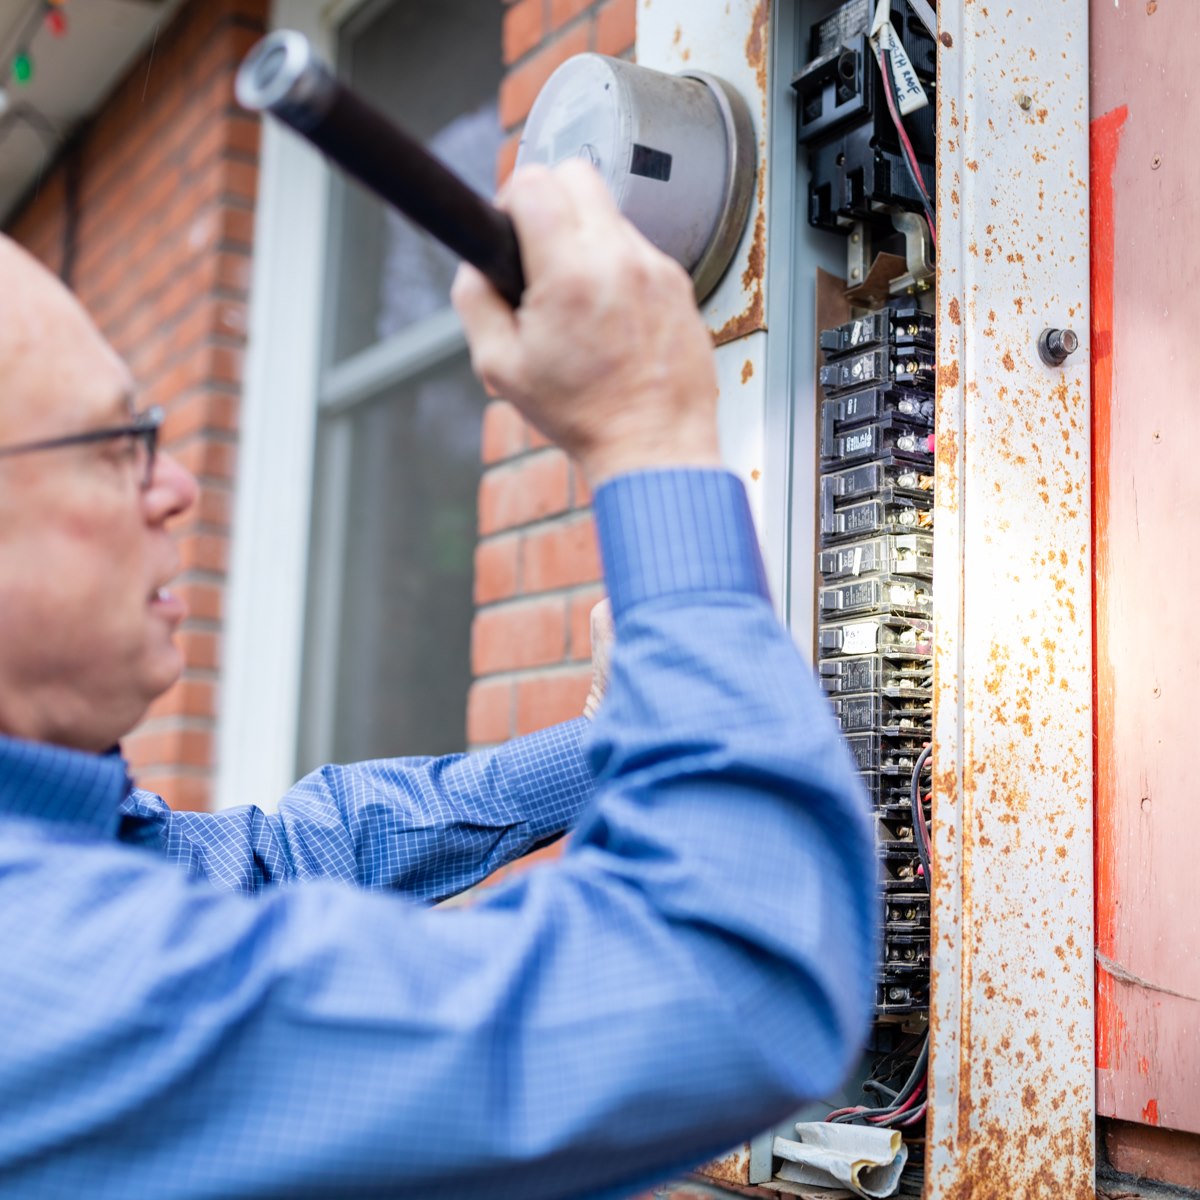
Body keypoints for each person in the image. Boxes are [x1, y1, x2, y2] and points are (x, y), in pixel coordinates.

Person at [0, 160, 876, 1199]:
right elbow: (731, 976)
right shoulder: (49, 982)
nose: (179, 487)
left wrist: (613, 734)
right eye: (119, 446)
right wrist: (650, 432)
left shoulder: (61, 859)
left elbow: (280, 860)